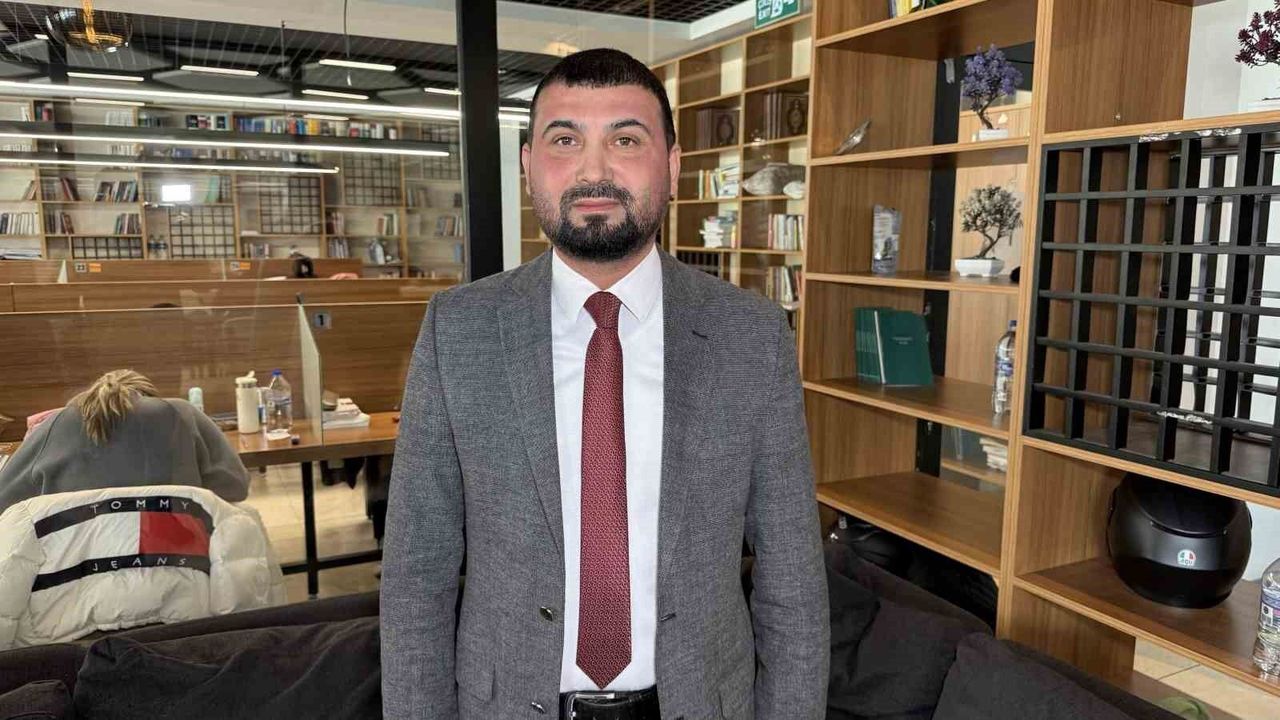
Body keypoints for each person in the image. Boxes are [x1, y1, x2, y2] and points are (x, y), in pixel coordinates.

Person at [381, 48, 828, 720]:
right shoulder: (459, 331)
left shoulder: (752, 336)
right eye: (565, 140)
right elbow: (418, 576)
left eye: (625, 139)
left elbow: (792, 582)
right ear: (528, 164)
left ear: (672, 165)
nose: (594, 170)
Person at [0, 370, 250, 513]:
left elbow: (5, 499)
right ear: (149, 397)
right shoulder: (180, 414)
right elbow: (235, 486)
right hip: (180, 564)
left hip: (73, 574)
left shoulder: (55, 425)